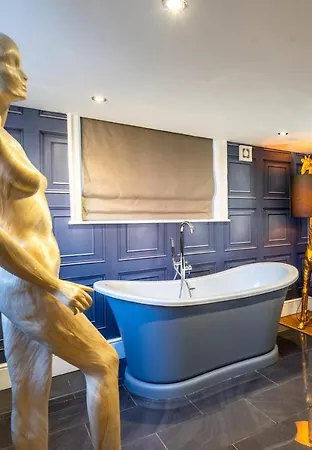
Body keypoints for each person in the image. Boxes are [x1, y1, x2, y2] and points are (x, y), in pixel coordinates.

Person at [0, 33, 120, 450]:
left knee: (29, 391)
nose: (24, 73)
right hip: (31, 288)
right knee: (104, 362)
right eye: (11, 62)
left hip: (22, 288)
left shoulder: (8, 139)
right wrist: (56, 285)